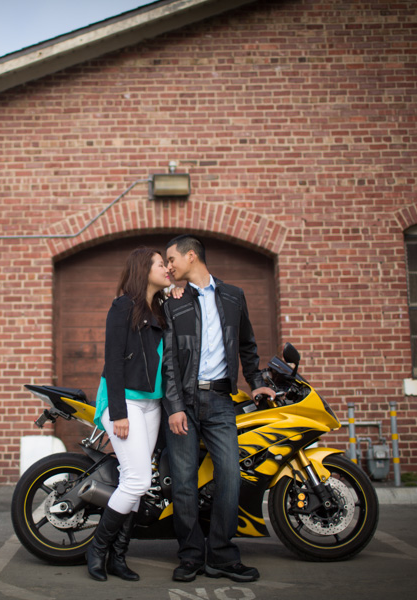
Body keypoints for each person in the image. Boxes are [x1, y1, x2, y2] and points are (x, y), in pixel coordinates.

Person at [161, 234, 276, 584]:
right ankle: (191, 555)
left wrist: (257, 381)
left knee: (230, 475)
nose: (168, 266)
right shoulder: (173, 301)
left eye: (171, 260)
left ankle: (223, 555)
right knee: (183, 483)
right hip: (184, 401)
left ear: (191, 256)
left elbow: (247, 345)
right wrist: (175, 406)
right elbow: (168, 359)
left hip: (221, 401)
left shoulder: (233, 296)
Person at [86, 247, 171, 582]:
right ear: (143, 269)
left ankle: (118, 557)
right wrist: (118, 412)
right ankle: (97, 550)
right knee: (138, 479)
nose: (166, 268)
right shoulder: (123, 306)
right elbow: (113, 361)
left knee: (132, 482)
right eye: (161, 264)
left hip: (152, 404)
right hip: (126, 403)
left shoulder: (160, 309)